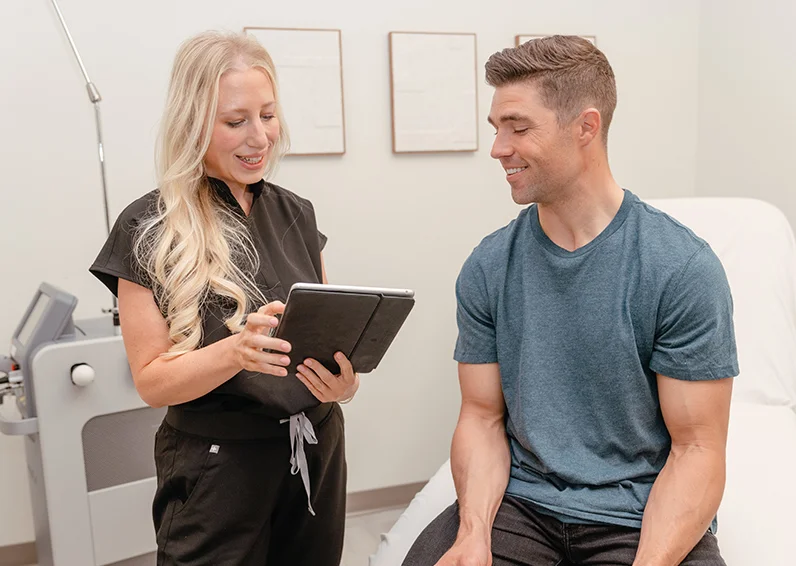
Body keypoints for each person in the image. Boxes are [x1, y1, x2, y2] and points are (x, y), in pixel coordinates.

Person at [403, 36, 737, 566]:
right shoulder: (489, 266)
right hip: (522, 504)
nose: (498, 148)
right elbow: (482, 417)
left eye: (518, 127)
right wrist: (472, 534)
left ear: (586, 127)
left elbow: (698, 449)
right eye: (496, 129)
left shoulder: (680, 268)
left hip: (638, 513)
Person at [90, 30, 356, 566]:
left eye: (268, 115)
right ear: (194, 124)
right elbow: (151, 380)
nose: (260, 137)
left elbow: (324, 337)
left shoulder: (295, 213)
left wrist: (342, 385)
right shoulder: (148, 227)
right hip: (217, 469)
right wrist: (234, 352)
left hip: (314, 448)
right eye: (236, 121)